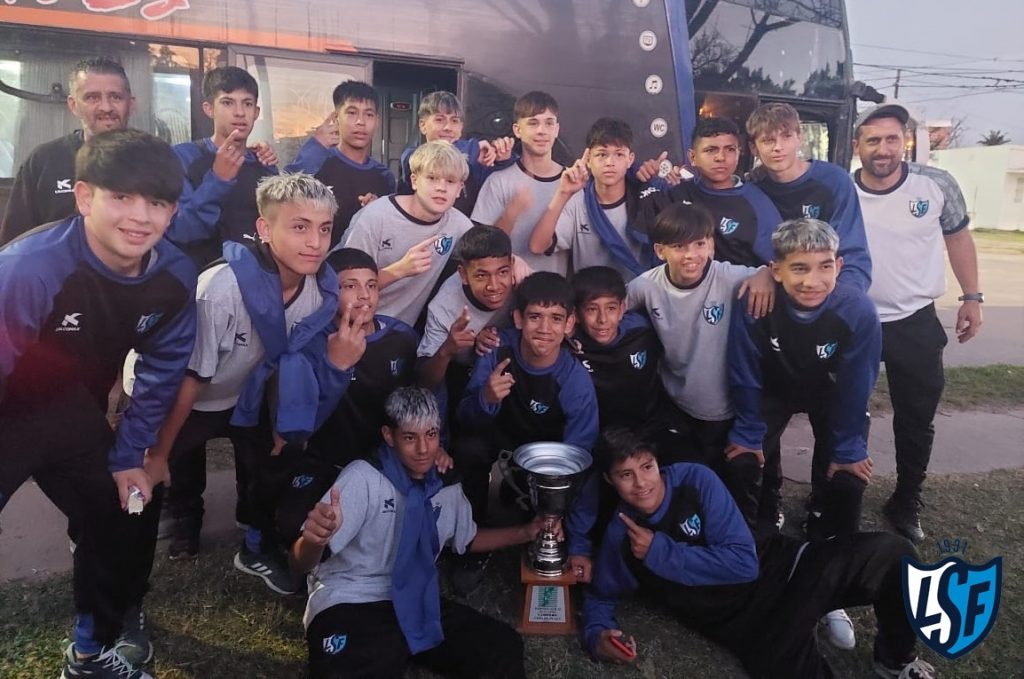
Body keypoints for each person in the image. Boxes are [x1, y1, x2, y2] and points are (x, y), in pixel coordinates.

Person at [0, 129, 196, 678]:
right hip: (6, 407)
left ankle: (91, 652)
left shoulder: (174, 277)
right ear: (85, 197)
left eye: (156, 202)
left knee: (122, 505)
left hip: (69, 409)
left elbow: (162, 370)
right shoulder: (28, 267)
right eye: (122, 197)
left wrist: (130, 453)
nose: (139, 216)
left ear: (173, 211)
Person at [582, 428, 935, 679]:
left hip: (789, 570)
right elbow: (601, 593)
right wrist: (598, 635)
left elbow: (743, 564)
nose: (641, 483)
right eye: (625, 475)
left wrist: (660, 551)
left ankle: (895, 660)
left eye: (646, 467)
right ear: (610, 481)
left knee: (895, 555)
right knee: (787, 660)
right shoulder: (620, 535)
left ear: (657, 462)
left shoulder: (693, 479)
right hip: (756, 627)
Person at [140, 172, 339, 595]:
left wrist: (282, 424)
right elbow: (189, 380)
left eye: (324, 229)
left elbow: (283, 358)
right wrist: (157, 452)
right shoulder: (221, 289)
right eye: (299, 227)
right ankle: (162, 536)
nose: (315, 242)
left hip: (238, 389)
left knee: (271, 457)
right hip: (180, 389)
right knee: (160, 468)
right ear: (264, 229)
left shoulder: (317, 289)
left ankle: (255, 539)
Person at [293, 387, 532, 679]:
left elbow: (467, 539)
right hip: (352, 600)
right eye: (410, 437)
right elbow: (300, 564)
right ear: (388, 435)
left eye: (431, 435)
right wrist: (313, 541)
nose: (423, 449)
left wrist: (527, 532)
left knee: (502, 646)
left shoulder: (445, 486)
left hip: (417, 599)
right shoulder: (363, 477)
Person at [853, 103, 982, 542]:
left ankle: (906, 499)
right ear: (857, 145)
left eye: (892, 138)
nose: (883, 149)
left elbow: (958, 237)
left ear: (904, 140)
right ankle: (839, 492)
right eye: (873, 140)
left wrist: (972, 297)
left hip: (915, 321)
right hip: (855, 322)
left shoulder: (936, 184)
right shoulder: (840, 190)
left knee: (915, 418)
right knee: (845, 413)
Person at [726, 217, 880, 543]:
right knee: (743, 460)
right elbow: (744, 369)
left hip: (830, 392)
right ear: (776, 270)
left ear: (839, 266)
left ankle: (824, 525)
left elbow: (856, 384)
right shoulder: (755, 301)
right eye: (799, 268)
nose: (812, 281)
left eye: (825, 267)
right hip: (774, 388)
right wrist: (749, 432)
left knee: (847, 475)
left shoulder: (858, 310)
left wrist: (848, 447)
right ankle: (764, 518)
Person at [625, 201, 773, 466]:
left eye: (699, 244)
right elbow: (613, 307)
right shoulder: (646, 286)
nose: (690, 255)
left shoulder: (730, 277)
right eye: (679, 246)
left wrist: (766, 273)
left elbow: (779, 274)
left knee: (737, 475)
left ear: (711, 246)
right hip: (676, 403)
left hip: (729, 409)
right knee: (686, 472)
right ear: (660, 251)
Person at [455, 271, 599, 524]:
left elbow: (579, 452)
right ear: (518, 318)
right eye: (535, 317)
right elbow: (463, 419)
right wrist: (486, 398)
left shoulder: (574, 379)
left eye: (556, 318)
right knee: (469, 449)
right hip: (501, 438)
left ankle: (524, 492)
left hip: (545, 451)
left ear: (569, 324)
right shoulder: (496, 350)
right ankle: (471, 527)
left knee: (538, 511)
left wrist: (558, 511)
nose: (544, 328)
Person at [1, 57, 134, 245]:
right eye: (92, 97)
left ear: (131, 103)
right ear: (73, 105)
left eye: (115, 97)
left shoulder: (153, 161)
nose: (106, 107)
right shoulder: (43, 161)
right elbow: (15, 243)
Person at [341, 140, 474, 328]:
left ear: (460, 189)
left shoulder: (459, 224)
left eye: (450, 181)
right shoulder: (376, 216)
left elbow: (487, 253)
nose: (441, 187)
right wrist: (400, 269)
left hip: (400, 333)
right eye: (432, 178)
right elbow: (345, 287)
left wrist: (514, 261)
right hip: (351, 324)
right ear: (414, 181)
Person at [746, 102, 871, 291]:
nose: (778, 147)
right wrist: (757, 273)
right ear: (754, 148)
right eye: (768, 140)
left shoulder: (834, 181)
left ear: (800, 138)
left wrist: (843, 299)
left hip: (825, 294)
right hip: (771, 295)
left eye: (786, 136)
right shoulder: (751, 188)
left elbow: (853, 253)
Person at [165, 66, 278, 266]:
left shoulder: (263, 161)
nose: (239, 112)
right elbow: (180, 231)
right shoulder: (183, 157)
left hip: (258, 275)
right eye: (227, 102)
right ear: (209, 109)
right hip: (202, 277)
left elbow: (278, 225)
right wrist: (218, 180)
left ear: (256, 112)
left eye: (247, 104)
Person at [635, 116, 783, 268]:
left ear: (738, 154)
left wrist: (758, 276)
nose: (720, 157)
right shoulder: (677, 192)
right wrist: (646, 178)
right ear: (693, 157)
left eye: (730, 149)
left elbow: (780, 265)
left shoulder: (758, 204)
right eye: (711, 150)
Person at [528, 117, 662, 280]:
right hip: (589, 294)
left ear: (630, 160)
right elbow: (537, 246)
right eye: (601, 154)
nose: (610, 162)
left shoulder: (644, 197)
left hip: (638, 292)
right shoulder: (577, 201)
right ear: (588, 159)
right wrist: (562, 193)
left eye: (619, 154)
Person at [416, 223, 521, 423]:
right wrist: (447, 349)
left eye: (502, 272)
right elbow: (425, 383)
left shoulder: (523, 282)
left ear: (512, 265)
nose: (494, 286)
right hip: (462, 378)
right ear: (463, 274)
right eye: (481, 276)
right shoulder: (443, 308)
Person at [471, 91, 571, 274]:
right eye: (533, 123)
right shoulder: (498, 182)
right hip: (505, 290)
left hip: (553, 290)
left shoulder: (573, 184)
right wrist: (512, 211)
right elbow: (482, 250)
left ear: (556, 129)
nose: (541, 131)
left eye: (549, 123)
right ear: (517, 130)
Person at [288, 80, 397, 246]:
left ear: (377, 121)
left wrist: (377, 212)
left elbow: (389, 236)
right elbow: (281, 199)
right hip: (314, 258)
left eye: (368, 115)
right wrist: (315, 147)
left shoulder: (384, 176)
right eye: (352, 113)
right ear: (336, 118)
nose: (360, 122)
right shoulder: (318, 162)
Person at [397, 90, 515, 216]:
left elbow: (497, 189)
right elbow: (433, 158)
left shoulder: (474, 157)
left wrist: (502, 160)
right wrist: (472, 149)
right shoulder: (410, 156)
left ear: (461, 127)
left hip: (462, 226)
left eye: (454, 121)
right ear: (423, 125)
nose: (448, 127)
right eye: (439, 120)